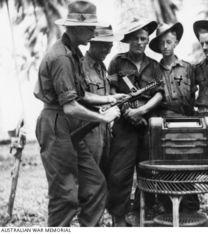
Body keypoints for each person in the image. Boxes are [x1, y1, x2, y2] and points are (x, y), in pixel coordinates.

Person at [33, 1, 123, 227]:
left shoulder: (74, 54)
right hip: (56, 125)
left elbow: (80, 95)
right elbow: (70, 106)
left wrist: (110, 98)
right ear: (74, 28)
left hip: (70, 126)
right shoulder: (61, 57)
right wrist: (104, 117)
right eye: (90, 27)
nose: (94, 32)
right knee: (65, 197)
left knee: (95, 187)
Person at [106, 18, 163, 226]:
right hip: (124, 126)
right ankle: (118, 218)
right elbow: (111, 90)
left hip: (148, 126)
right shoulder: (117, 62)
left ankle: (143, 215)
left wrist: (142, 111)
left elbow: (159, 94)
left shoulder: (154, 65)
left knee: (147, 172)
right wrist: (127, 111)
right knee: (120, 173)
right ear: (129, 40)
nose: (140, 42)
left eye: (144, 39)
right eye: (136, 39)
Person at [149, 22, 199, 213]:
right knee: (165, 166)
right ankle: (166, 205)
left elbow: (192, 95)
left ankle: (189, 206)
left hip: (185, 123)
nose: (165, 46)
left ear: (176, 42)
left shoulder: (187, 68)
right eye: (161, 43)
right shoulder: (153, 69)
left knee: (185, 163)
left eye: (169, 41)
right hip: (162, 124)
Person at [81, 26, 125, 165]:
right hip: (88, 129)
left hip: (105, 128)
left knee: (104, 174)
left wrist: (115, 98)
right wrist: (109, 99)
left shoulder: (102, 66)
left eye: (110, 46)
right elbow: (79, 96)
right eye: (104, 46)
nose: (108, 50)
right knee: (90, 174)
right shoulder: (81, 66)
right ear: (92, 43)